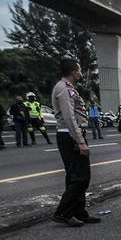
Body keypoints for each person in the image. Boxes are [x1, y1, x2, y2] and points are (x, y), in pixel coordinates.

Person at [50, 59, 99, 227]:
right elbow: (69, 117)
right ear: (73, 72)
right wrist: (80, 142)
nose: (80, 72)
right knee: (80, 177)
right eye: (79, 69)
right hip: (69, 136)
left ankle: (79, 212)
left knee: (77, 177)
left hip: (70, 135)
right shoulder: (64, 89)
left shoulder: (67, 88)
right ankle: (63, 212)